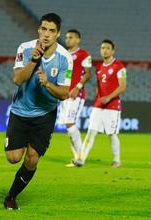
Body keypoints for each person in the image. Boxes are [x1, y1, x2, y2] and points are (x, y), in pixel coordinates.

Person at [3, 13, 73, 210]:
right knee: (13, 158)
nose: (46, 35)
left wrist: (48, 84)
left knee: (32, 159)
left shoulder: (65, 59)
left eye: (51, 31)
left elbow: (64, 93)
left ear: (58, 34)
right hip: (20, 111)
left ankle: (12, 196)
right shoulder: (24, 48)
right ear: (38, 30)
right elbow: (17, 79)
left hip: (44, 115)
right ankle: (20, 142)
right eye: (44, 29)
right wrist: (34, 60)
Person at [81, 39, 127, 168]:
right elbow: (99, 83)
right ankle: (81, 159)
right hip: (98, 105)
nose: (104, 50)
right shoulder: (99, 67)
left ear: (112, 51)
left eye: (107, 48)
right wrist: (98, 93)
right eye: (102, 48)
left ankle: (117, 160)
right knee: (91, 131)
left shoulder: (119, 66)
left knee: (111, 134)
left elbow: (123, 86)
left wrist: (109, 97)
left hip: (112, 106)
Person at [58, 29, 92, 167]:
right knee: (68, 127)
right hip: (65, 95)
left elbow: (88, 74)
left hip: (76, 95)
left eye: (71, 37)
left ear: (78, 40)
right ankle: (76, 158)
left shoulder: (84, 54)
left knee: (70, 124)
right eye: (66, 37)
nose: (67, 40)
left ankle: (80, 157)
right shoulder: (64, 55)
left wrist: (77, 87)